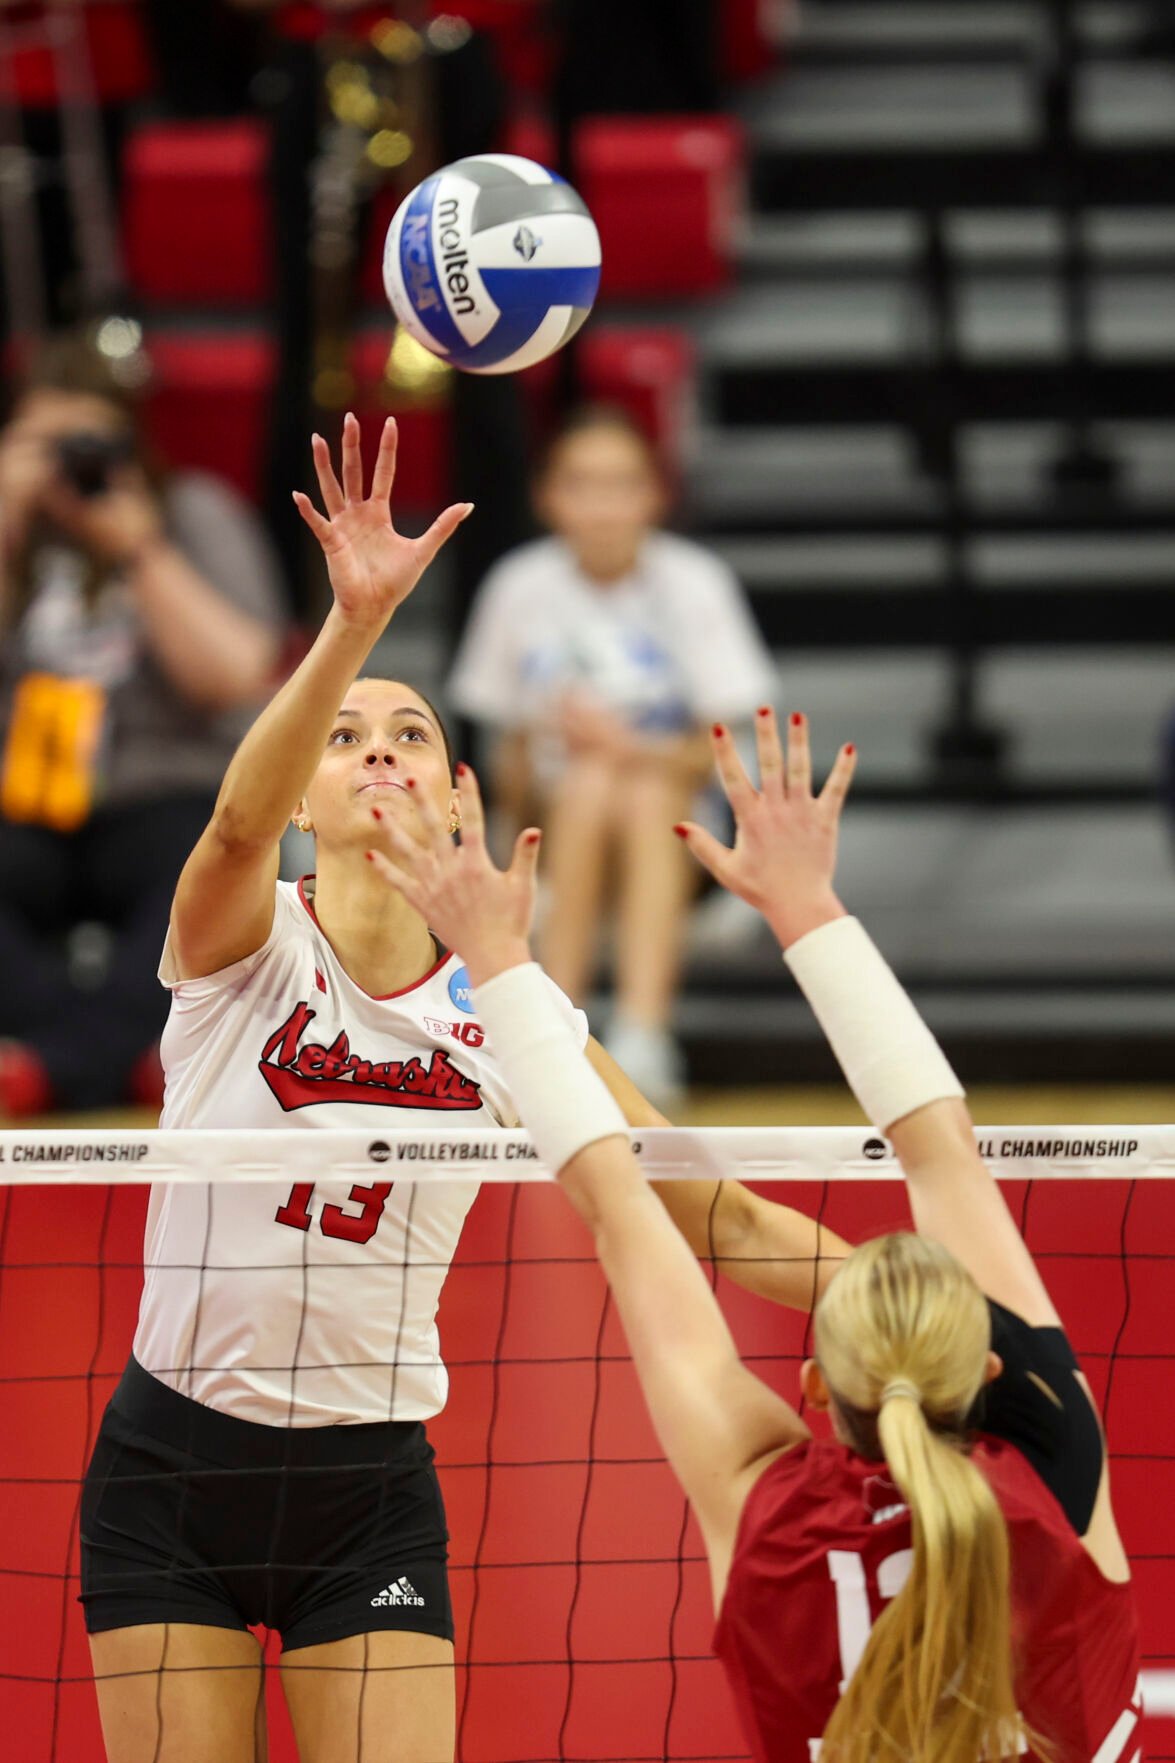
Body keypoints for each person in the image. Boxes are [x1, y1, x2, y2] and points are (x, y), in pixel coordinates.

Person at [78, 414, 847, 1763]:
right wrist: (353, 626)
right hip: (170, 1475)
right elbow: (232, 824)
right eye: (348, 734)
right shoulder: (241, 942)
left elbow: (707, 1212)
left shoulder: (503, 1011)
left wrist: (919, 1294)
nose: (378, 747)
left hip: (368, 1493)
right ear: (309, 795)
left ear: (455, 789)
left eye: (412, 732)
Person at [371, 709, 1141, 1763]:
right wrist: (806, 904)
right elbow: (941, 1156)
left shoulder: (768, 1517)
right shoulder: (1052, 1478)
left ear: (816, 1387)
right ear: (991, 1365)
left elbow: (617, 1201)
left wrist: (496, 961)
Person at [447, 403, 777, 1106]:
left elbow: (726, 757)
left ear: (654, 494)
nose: (600, 505)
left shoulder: (696, 582)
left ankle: (594, 1036)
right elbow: (502, 765)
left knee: (632, 786)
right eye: (580, 483)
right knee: (594, 782)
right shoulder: (516, 588)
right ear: (547, 496)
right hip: (552, 825)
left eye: (620, 482)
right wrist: (550, 769)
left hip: (683, 836)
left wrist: (630, 748)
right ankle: (611, 1035)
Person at [0, 330, 286, 1115]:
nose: (65, 463)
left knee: (216, 864)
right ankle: (118, 1054)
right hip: (21, 801)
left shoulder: (191, 512)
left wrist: (141, 550)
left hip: (160, 790)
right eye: (43, 443)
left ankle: (50, 1067)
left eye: (85, 442)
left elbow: (237, 677)